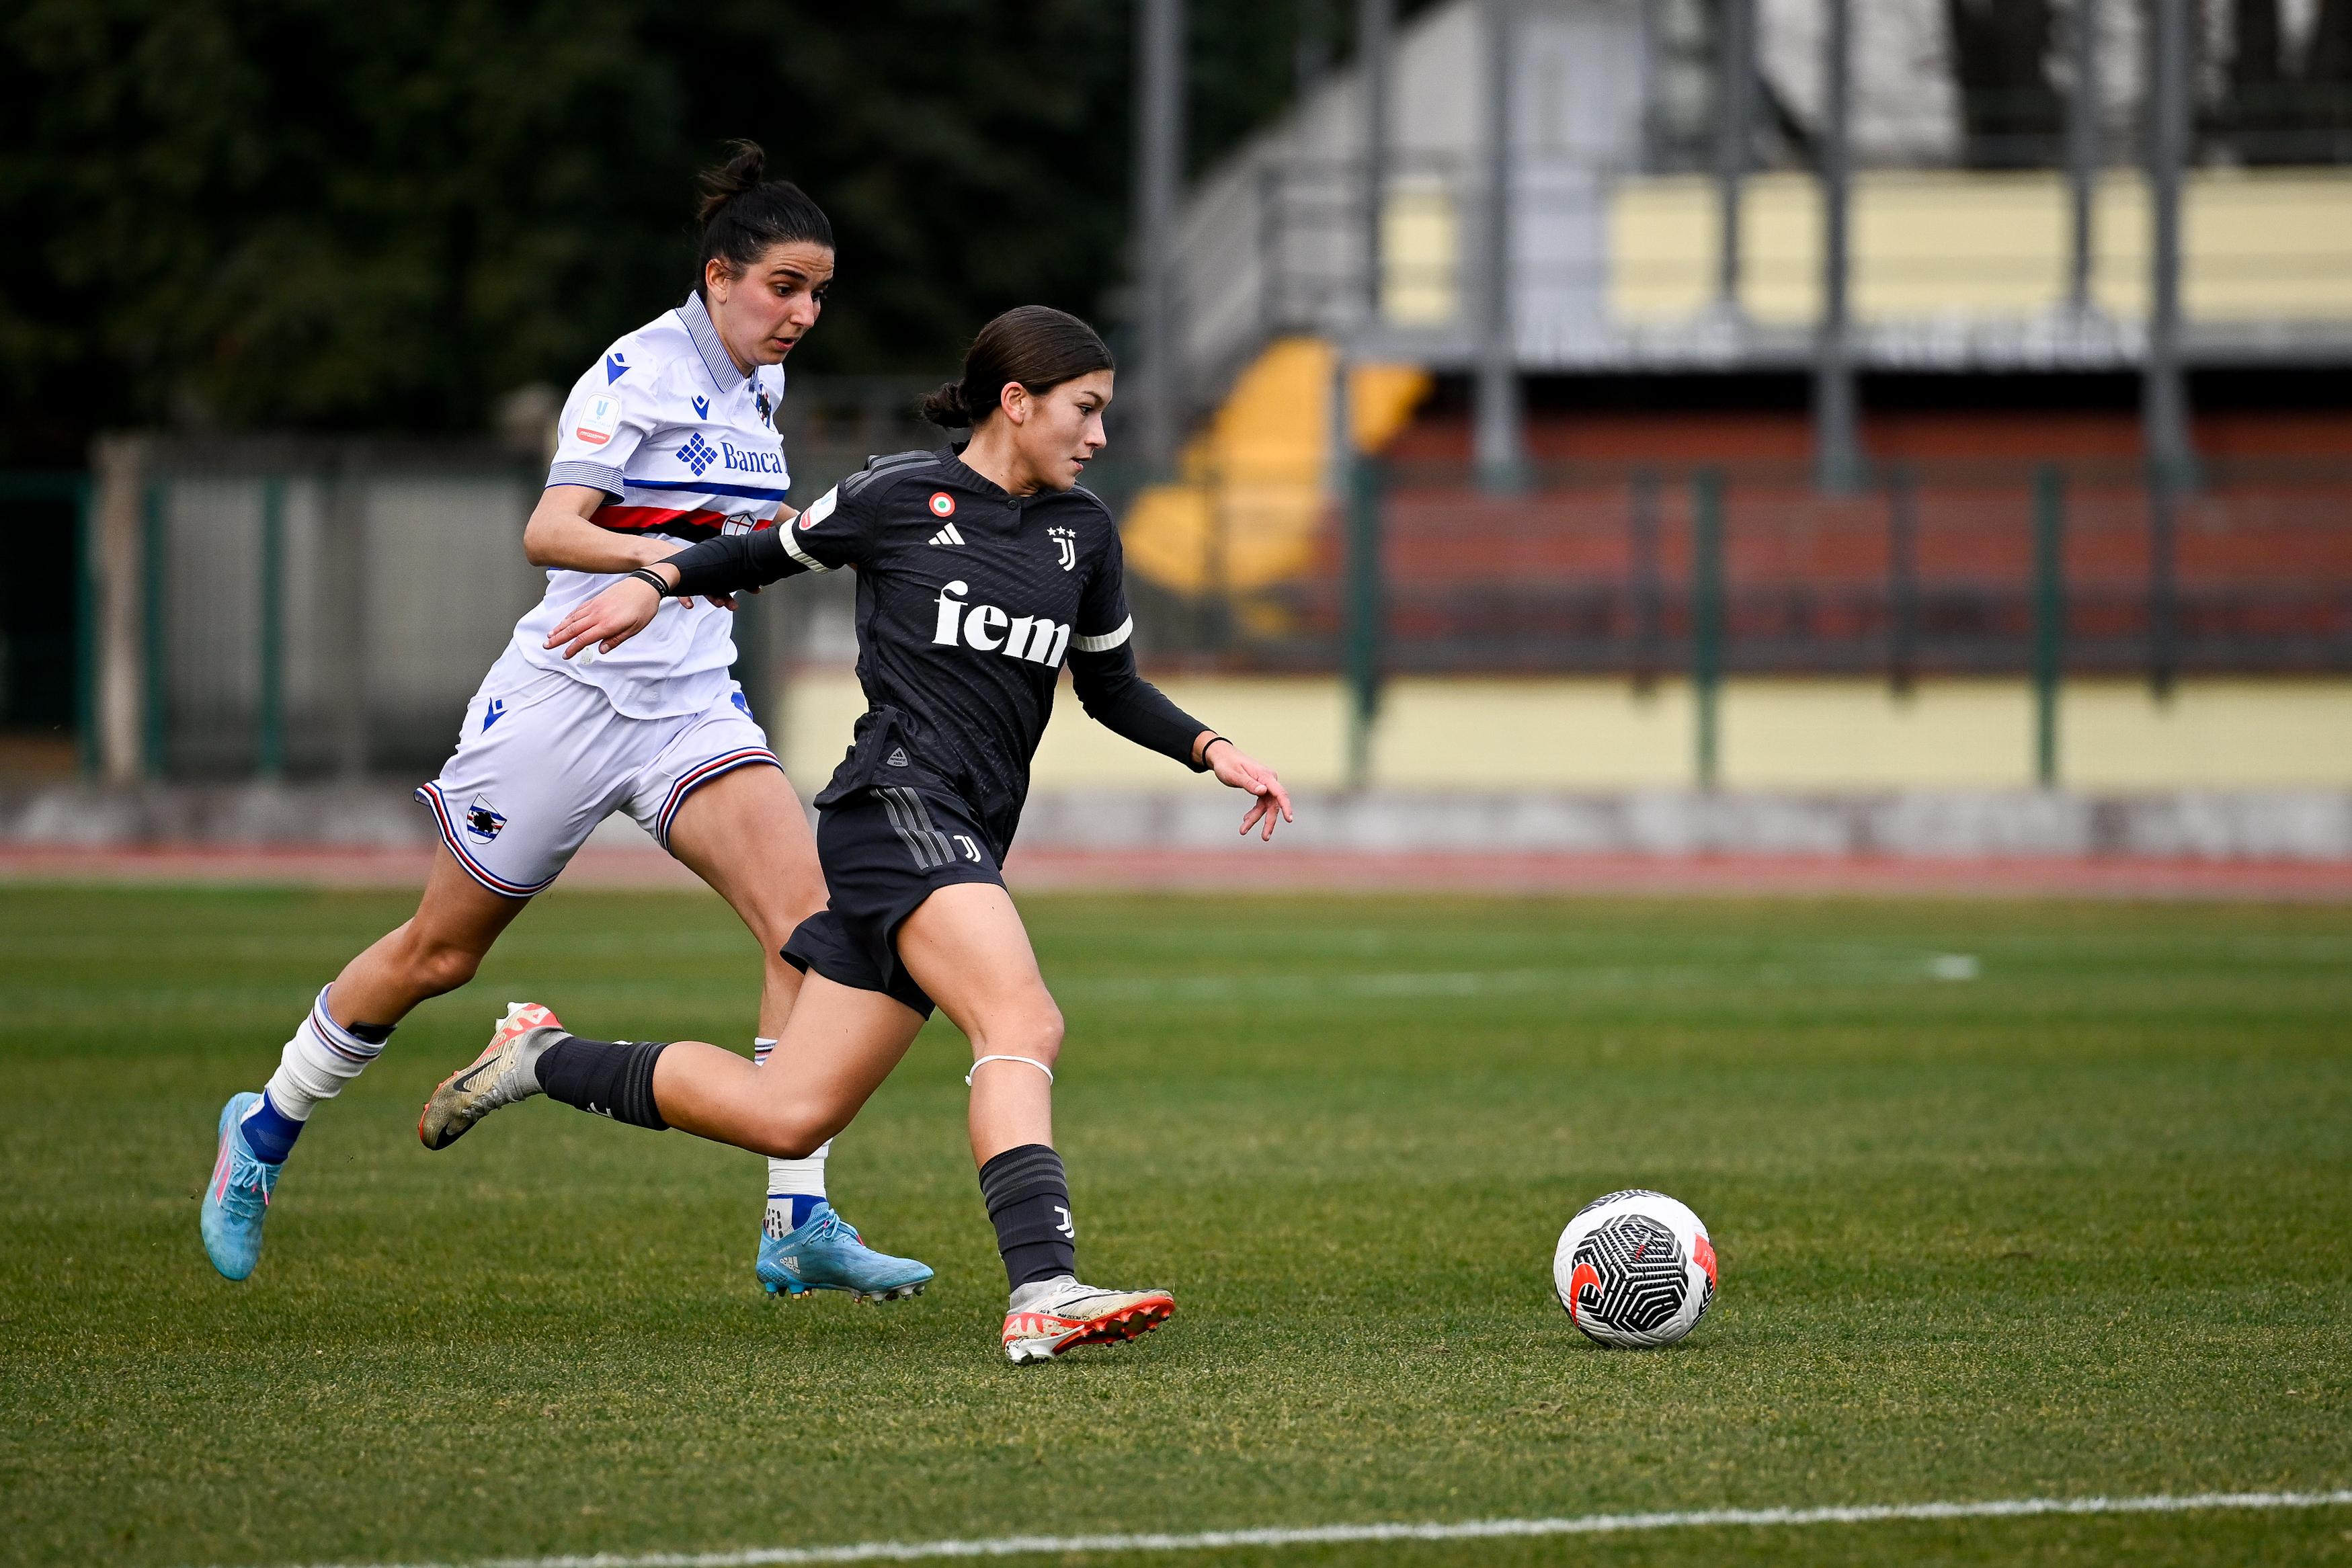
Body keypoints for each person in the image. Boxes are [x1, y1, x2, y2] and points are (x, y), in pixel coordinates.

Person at [414, 305, 1293, 1362]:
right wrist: (651, 581)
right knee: (1023, 1016)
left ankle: (539, 1058)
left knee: (788, 1113)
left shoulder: (1084, 533)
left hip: (961, 830)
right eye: (1086, 409)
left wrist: (1213, 748)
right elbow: (762, 553)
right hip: (895, 810)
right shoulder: (894, 497)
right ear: (1016, 403)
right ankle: (1044, 1288)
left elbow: (1108, 687)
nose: (1100, 436)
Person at [200, 142, 930, 1305]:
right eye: (785, 286)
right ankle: (267, 1126)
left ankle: (797, 1212)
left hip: (690, 703)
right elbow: (551, 530)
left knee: (813, 926)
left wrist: (772, 534)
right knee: (440, 954)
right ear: (719, 275)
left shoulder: (762, 388)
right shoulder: (634, 370)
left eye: (820, 292)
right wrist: (664, 558)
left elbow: (715, 524)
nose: (804, 313)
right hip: (570, 695)